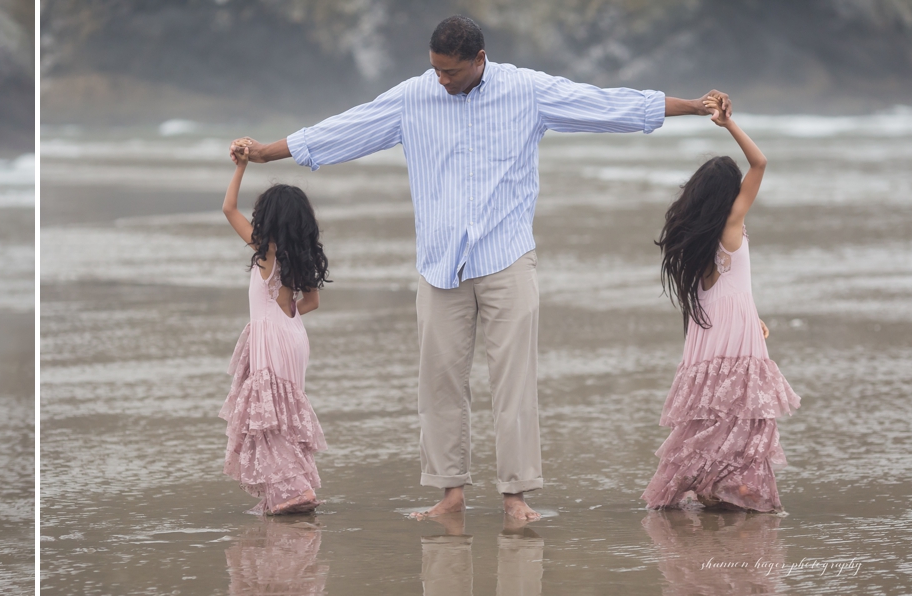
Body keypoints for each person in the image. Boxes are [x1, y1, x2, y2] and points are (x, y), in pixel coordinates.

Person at [230, 15, 731, 521]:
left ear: (479, 60)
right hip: (439, 263)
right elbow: (345, 129)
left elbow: (606, 105)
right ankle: (450, 495)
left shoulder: (526, 90)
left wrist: (693, 105)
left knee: (514, 383)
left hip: (507, 257)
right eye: (435, 69)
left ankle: (516, 496)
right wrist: (268, 152)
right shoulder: (413, 97)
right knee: (439, 384)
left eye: (450, 71)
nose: (441, 79)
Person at [643, 98, 799, 512]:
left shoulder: (696, 236)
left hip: (708, 330)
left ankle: (711, 484)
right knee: (745, 411)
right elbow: (760, 163)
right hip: (734, 330)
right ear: (729, 195)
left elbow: (723, 285)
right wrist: (729, 124)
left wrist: (754, 315)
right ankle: (735, 485)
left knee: (711, 412)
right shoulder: (731, 223)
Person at [219, 152, 329, 515]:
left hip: (271, 337)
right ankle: (293, 488)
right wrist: (284, 313)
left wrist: (241, 166)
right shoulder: (300, 258)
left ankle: (296, 490)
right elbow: (310, 302)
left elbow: (228, 208)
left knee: (268, 414)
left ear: (268, 218)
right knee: (284, 410)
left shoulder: (266, 252)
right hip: (293, 334)